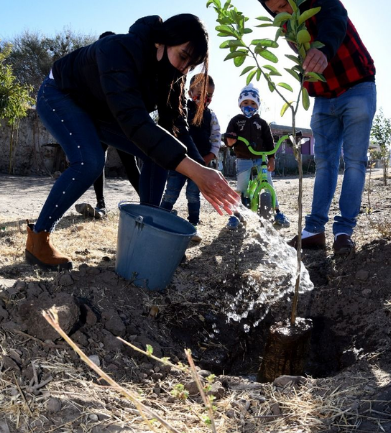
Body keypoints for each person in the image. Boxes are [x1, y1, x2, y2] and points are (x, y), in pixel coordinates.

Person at [26, 14, 239, 269]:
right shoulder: (118, 49)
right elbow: (133, 120)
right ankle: (39, 239)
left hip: (99, 110)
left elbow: (177, 127)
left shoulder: (173, 77)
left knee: (156, 154)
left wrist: (204, 171)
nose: (183, 70)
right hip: (60, 94)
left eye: (190, 65)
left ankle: (148, 237)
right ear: (162, 41)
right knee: (90, 161)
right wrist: (195, 171)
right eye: (182, 57)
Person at [257, 0, 376, 256]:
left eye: (284, 6)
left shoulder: (325, 2)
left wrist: (322, 48)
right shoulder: (289, 28)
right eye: (275, 12)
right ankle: (314, 231)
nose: (282, 15)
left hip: (356, 89)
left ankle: (344, 231)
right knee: (324, 165)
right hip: (323, 99)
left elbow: (333, 26)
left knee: (355, 162)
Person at [73, 32, 142, 220]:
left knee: (130, 164)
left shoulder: (122, 67)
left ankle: (148, 202)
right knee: (98, 162)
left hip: (120, 124)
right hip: (99, 123)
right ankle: (100, 204)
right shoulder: (91, 68)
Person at [159, 72, 221, 243]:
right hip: (179, 162)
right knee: (171, 192)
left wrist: (207, 158)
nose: (204, 98)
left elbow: (216, 139)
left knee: (194, 195)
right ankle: (161, 218)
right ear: (189, 93)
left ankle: (193, 224)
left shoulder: (211, 116)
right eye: (200, 94)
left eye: (209, 95)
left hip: (200, 164)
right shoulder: (182, 110)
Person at [222, 84, 291, 231]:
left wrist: (271, 157)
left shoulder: (262, 123)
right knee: (241, 186)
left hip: (261, 159)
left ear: (258, 105)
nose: (249, 106)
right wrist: (230, 141)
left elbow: (269, 141)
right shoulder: (236, 121)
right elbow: (228, 138)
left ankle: (277, 211)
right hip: (243, 158)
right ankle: (235, 214)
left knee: (269, 183)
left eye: (253, 103)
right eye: (246, 102)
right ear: (240, 103)